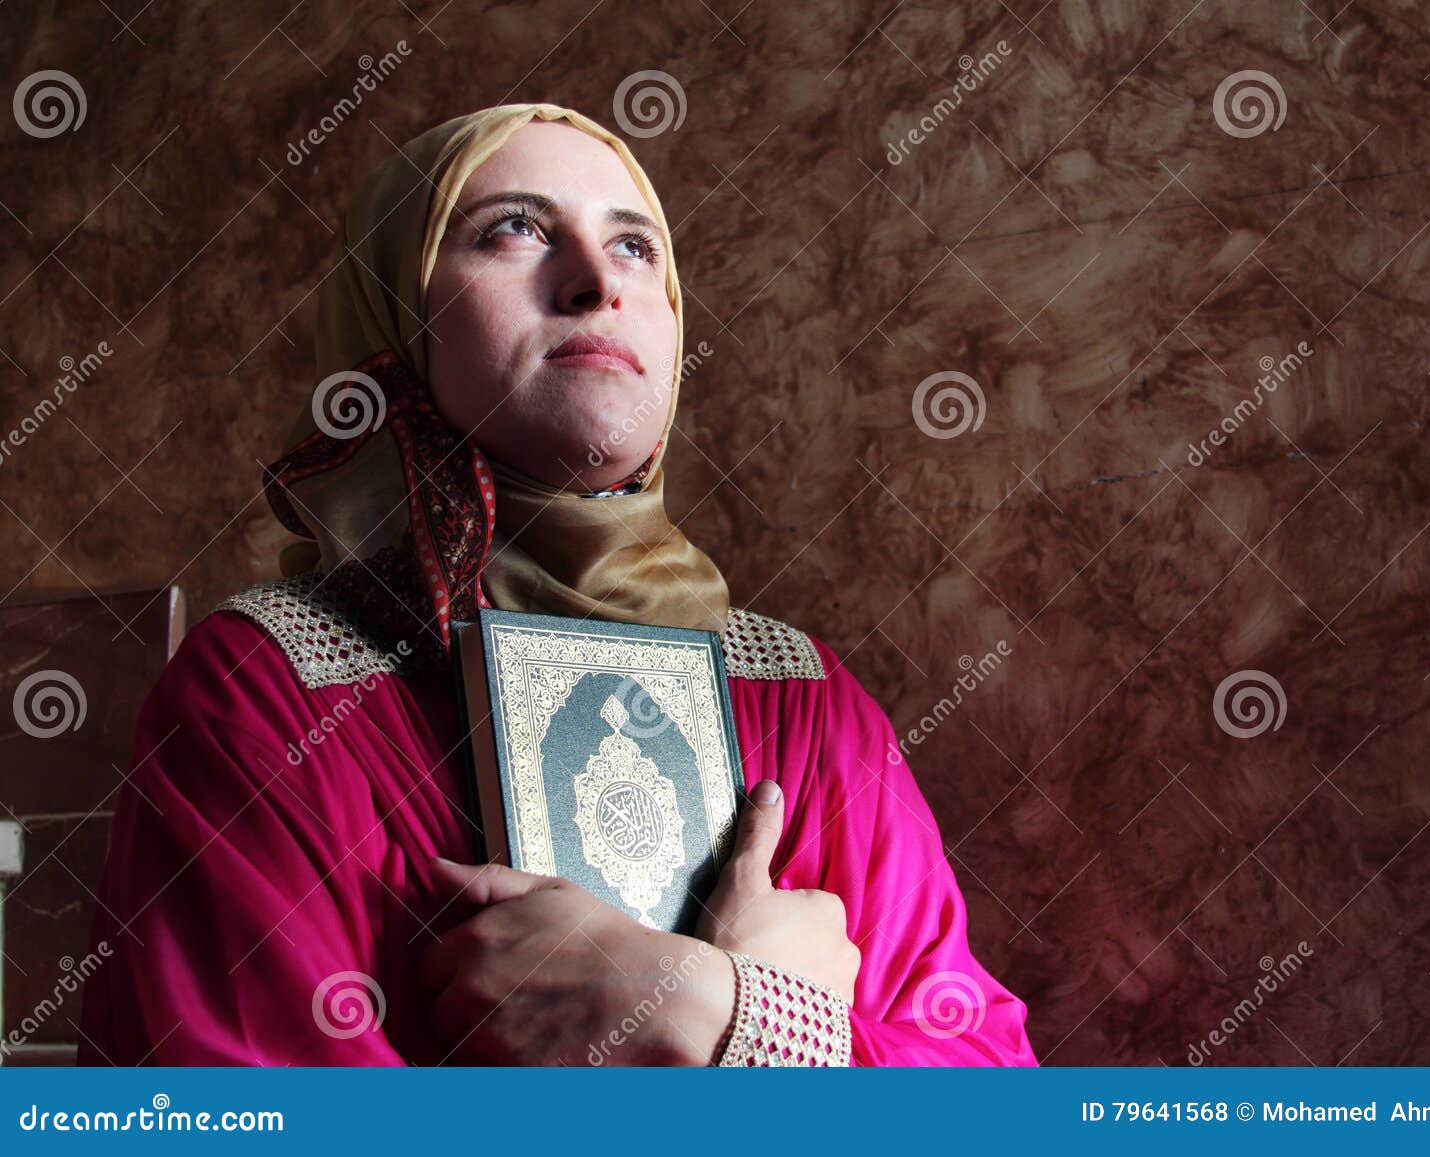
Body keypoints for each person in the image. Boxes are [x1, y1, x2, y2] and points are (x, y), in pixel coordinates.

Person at [75, 102, 1038, 1067]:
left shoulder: (806, 700)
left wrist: (715, 1011)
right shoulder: (267, 694)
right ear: (393, 312)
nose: (594, 282)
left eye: (636, 248)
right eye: (514, 230)